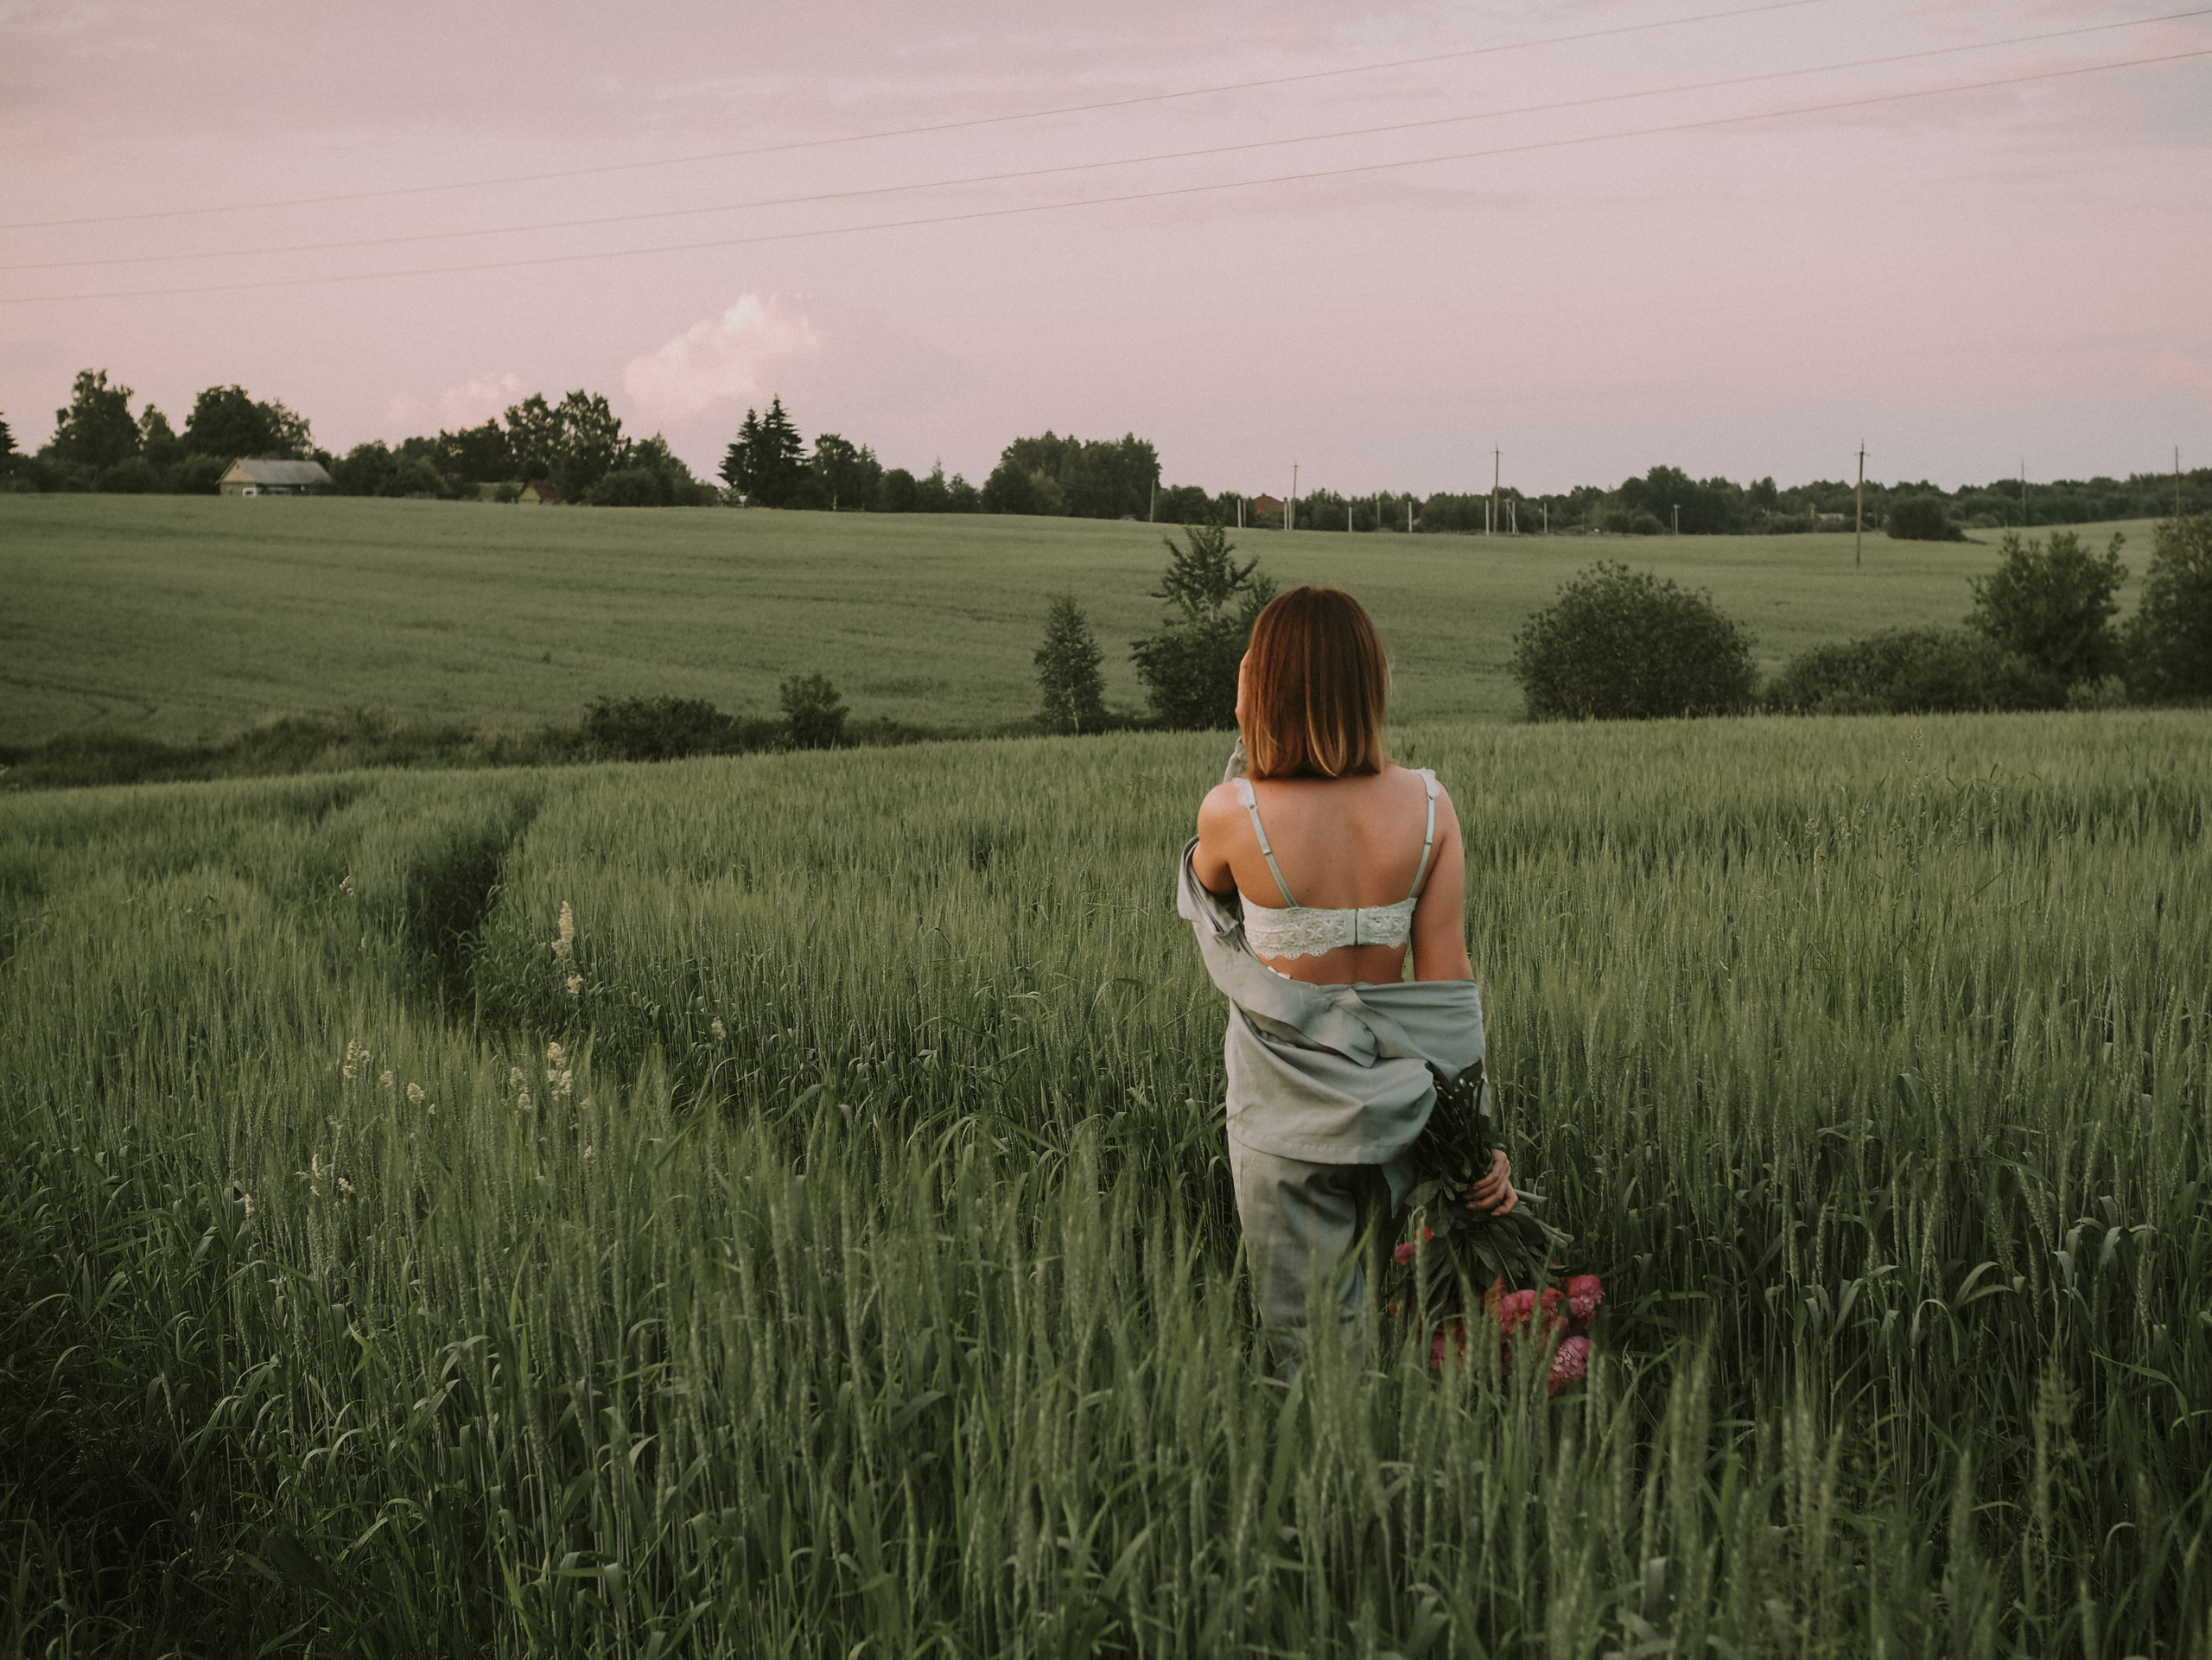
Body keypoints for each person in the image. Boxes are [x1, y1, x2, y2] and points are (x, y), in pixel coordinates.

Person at [1178, 586, 1514, 1371]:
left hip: (1284, 1113)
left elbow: (1203, 885)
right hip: (1402, 1109)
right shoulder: (1429, 805)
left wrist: (1245, 720)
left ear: (1259, 686)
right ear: (1372, 683)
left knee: (1313, 1349)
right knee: (1400, 1316)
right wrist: (1477, 1138)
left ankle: (1342, 1484)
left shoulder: (1233, 812)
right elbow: (1448, 983)